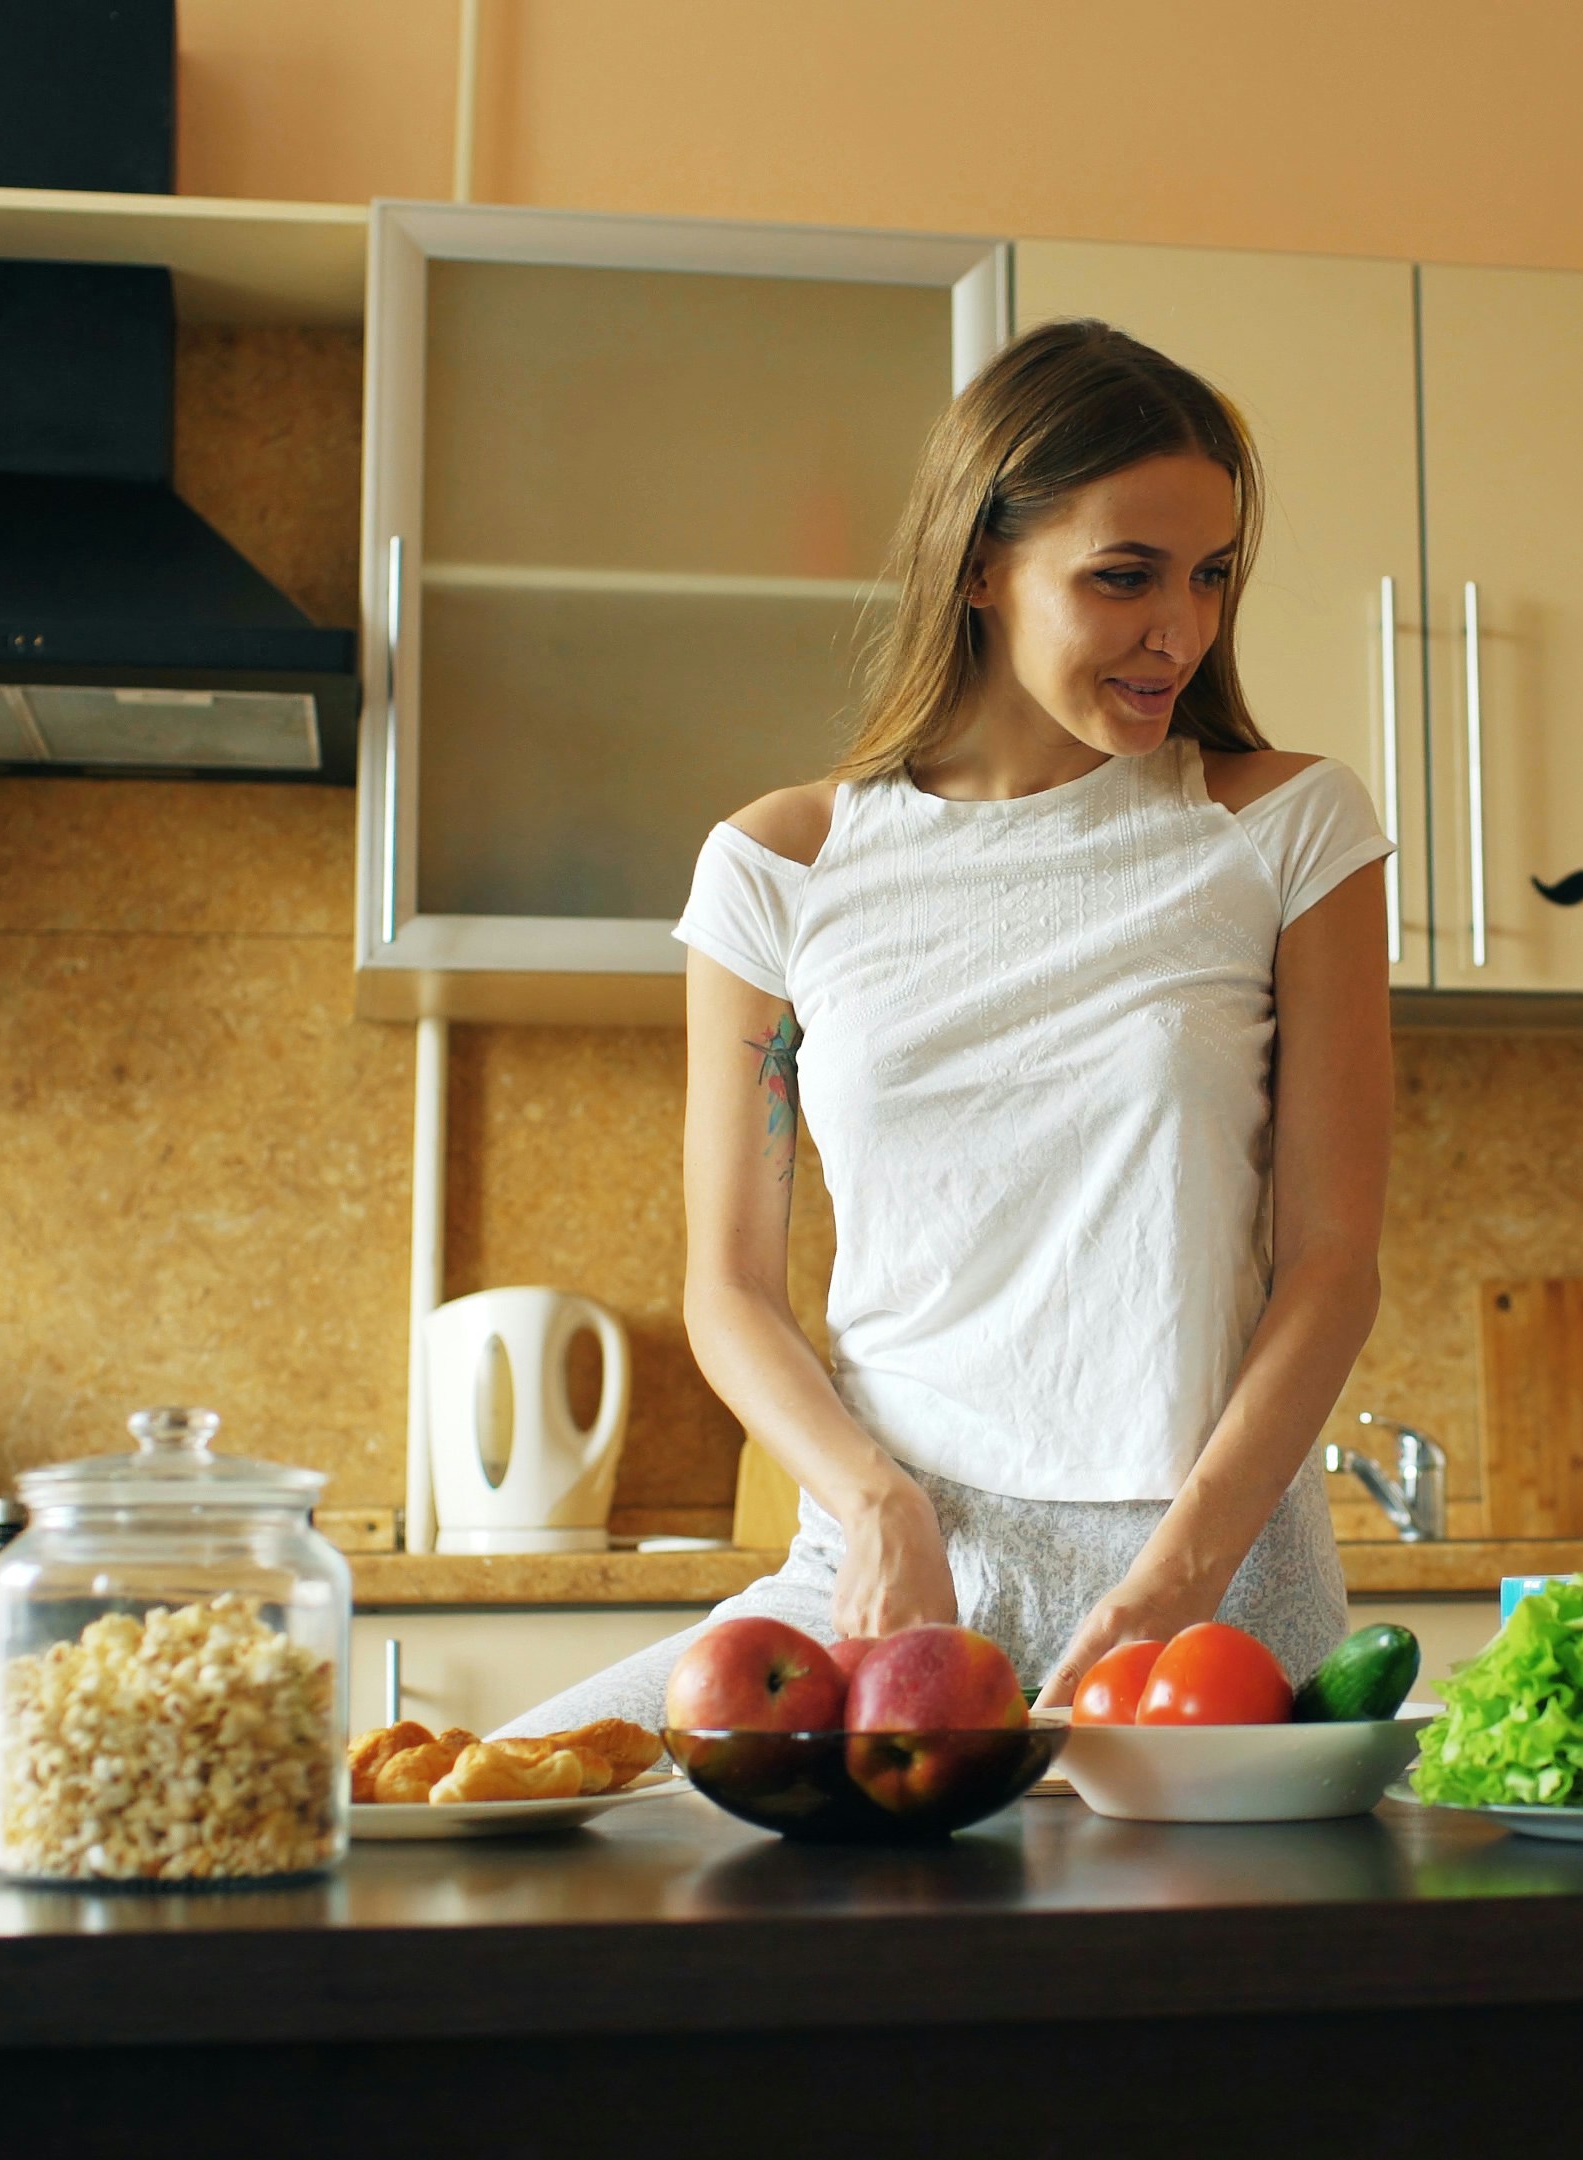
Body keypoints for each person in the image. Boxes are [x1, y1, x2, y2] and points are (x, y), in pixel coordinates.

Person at [499, 320, 1392, 1733]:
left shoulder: (1283, 827)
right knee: (516, 1824)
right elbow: (730, 1287)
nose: (1185, 630)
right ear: (980, 566)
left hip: (1207, 1594)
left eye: (1213, 576)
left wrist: (1176, 1580)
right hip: (882, 1567)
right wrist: (872, 1503)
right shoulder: (777, 869)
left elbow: (1332, 1259)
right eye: (1125, 577)